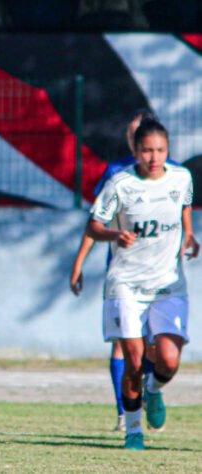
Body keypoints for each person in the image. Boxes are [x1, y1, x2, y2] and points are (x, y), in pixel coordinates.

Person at [85, 118, 198, 450]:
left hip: (167, 284)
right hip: (127, 284)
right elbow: (93, 226)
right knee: (133, 360)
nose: (154, 157)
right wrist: (114, 234)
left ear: (168, 149)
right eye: (147, 150)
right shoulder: (120, 184)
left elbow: (184, 205)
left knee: (169, 360)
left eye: (160, 150)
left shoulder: (181, 177)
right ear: (135, 151)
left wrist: (188, 234)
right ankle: (133, 430)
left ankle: (153, 390)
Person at [69, 110, 176, 432]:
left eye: (138, 132)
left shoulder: (174, 175)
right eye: (130, 133)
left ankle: (151, 392)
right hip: (123, 273)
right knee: (124, 344)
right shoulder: (116, 172)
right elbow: (96, 221)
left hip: (161, 276)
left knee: (156, 347)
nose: (133, 138)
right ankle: (124, 412)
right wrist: (78, 264)